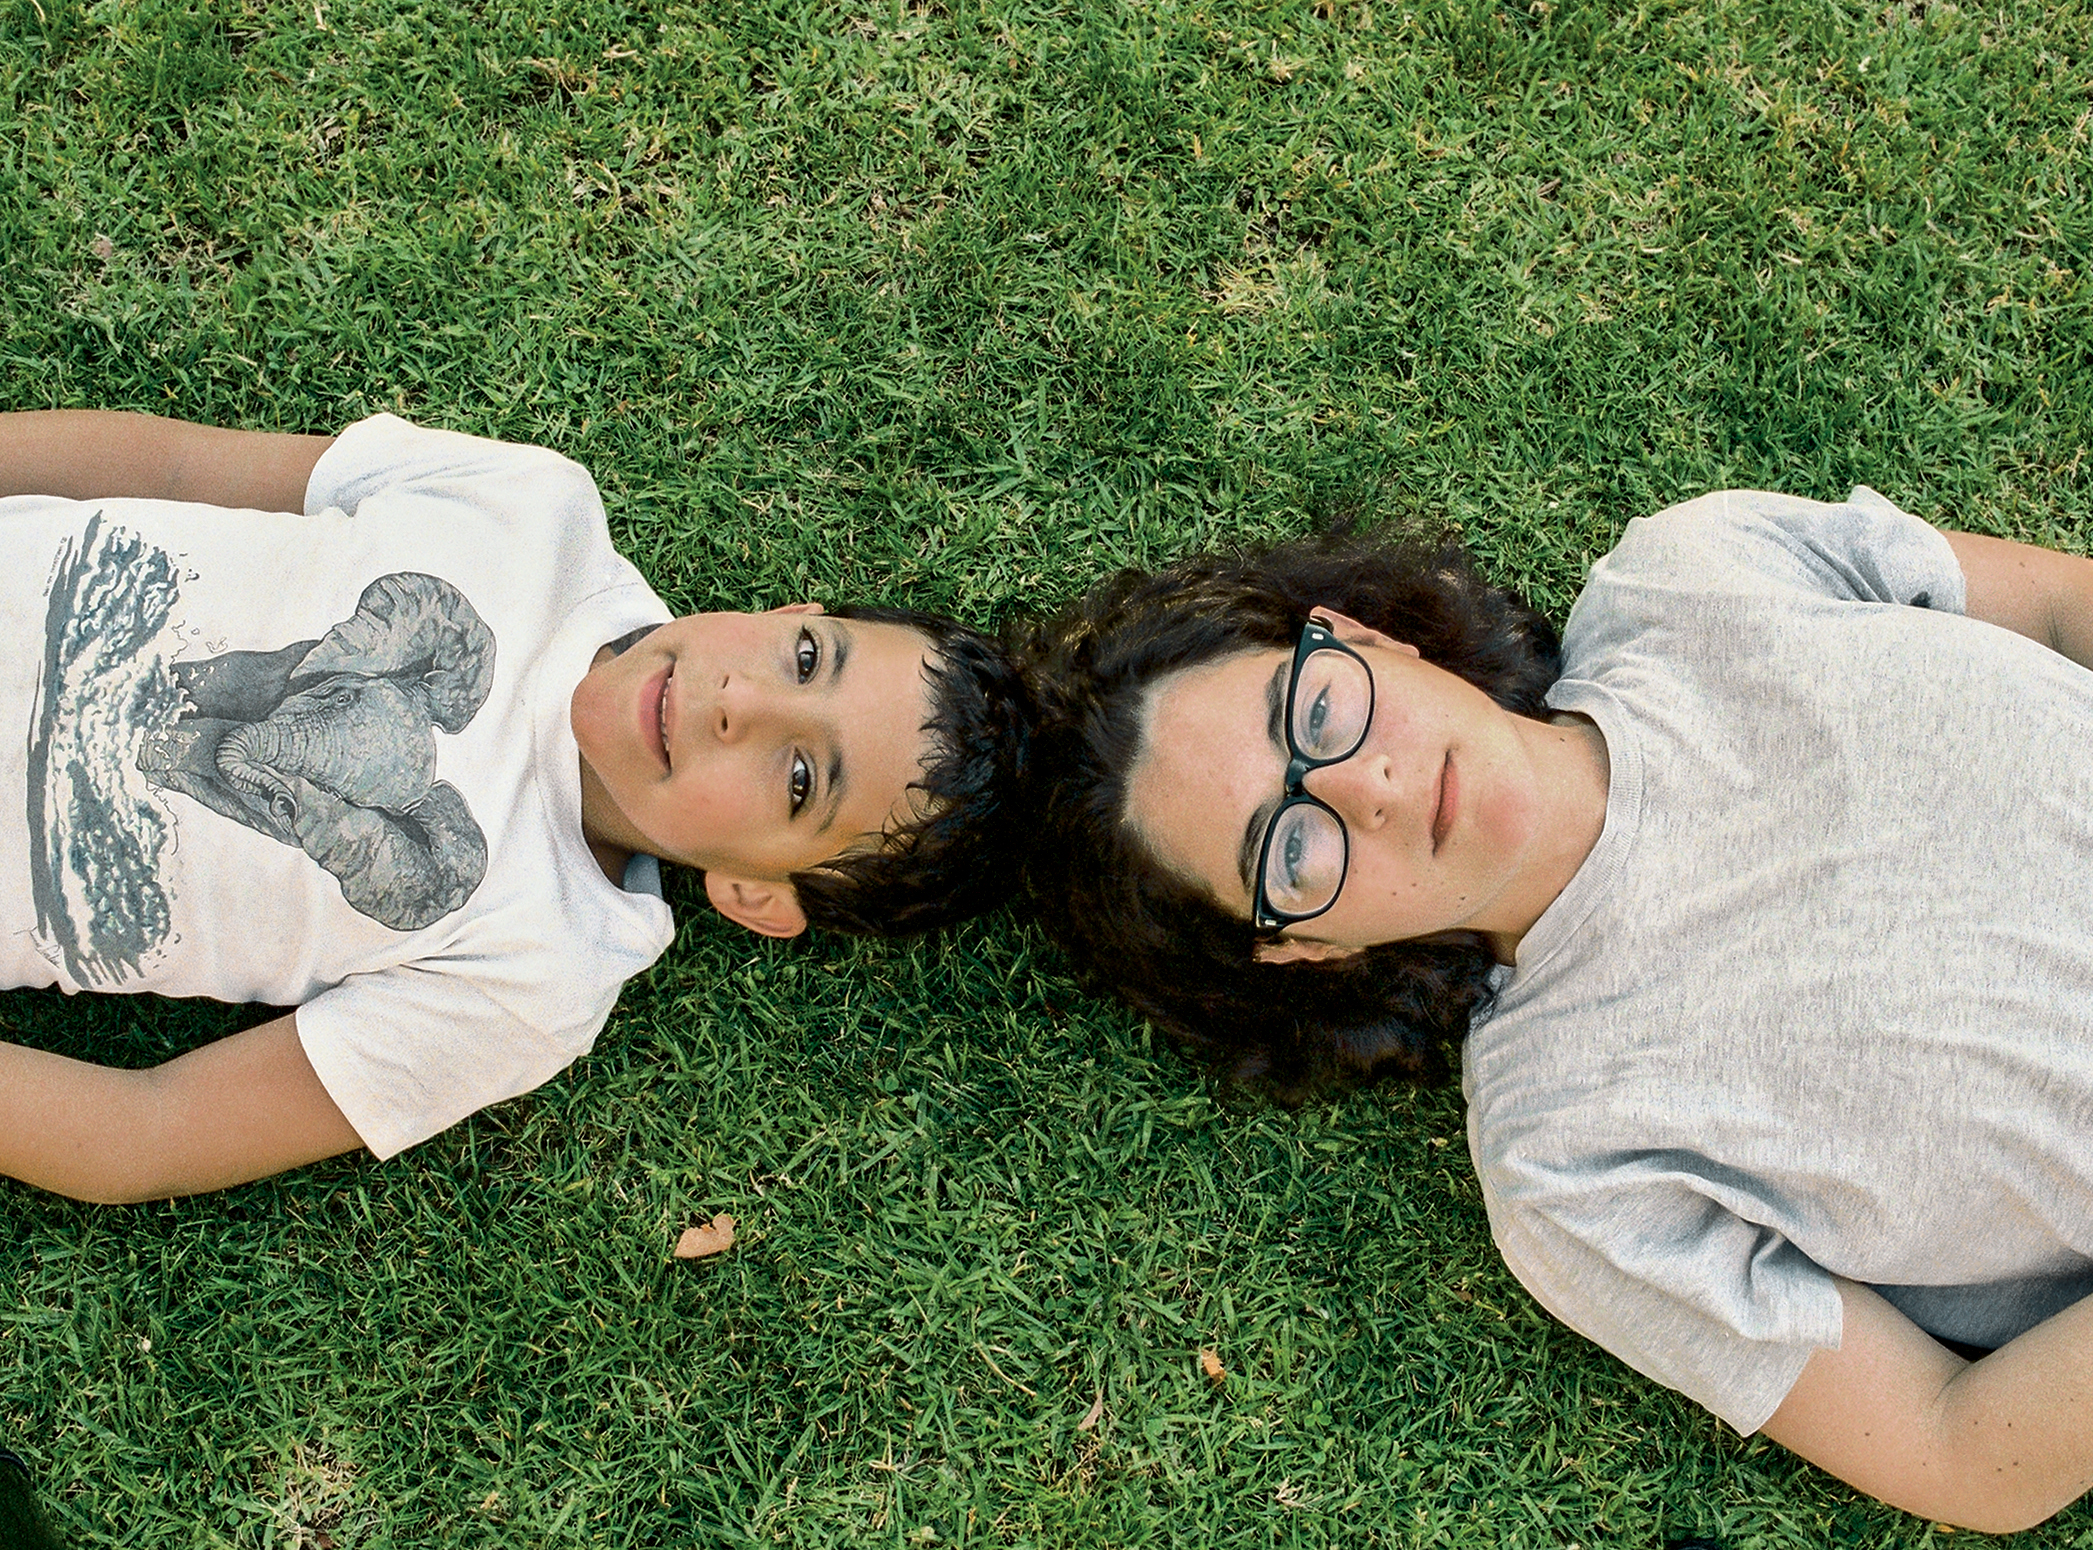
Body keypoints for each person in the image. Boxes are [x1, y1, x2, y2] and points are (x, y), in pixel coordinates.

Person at [1017, 487, 2093, 1534]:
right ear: (1308, 943)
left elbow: (2053, 609)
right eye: (1287, 846)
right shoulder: (1564, 1157)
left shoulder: (1694, 570)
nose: (1364, 786)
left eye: (1315, 712)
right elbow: (1955, 1448)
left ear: (1363, 638)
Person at [0, 409, 1030, 1203]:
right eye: (806, 658)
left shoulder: (538, 978)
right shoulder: (534, 510)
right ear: (791, 612)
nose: (741, 701)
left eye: (800, 778)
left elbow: (150, 1130)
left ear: (757, 891)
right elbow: (173, 466)